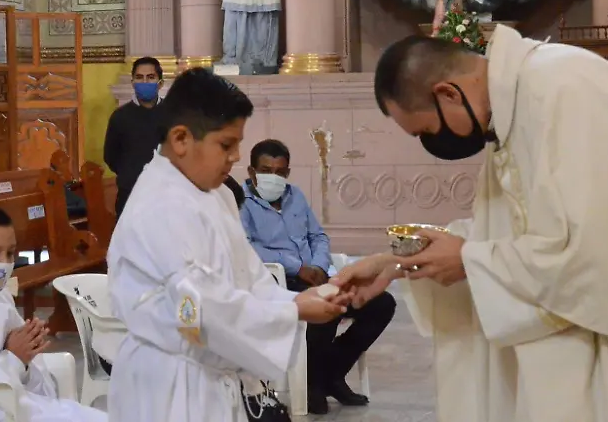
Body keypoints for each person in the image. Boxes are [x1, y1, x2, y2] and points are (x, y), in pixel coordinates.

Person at [333, 29, 608, 422]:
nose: (434, 143)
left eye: (427, 129)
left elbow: (594, 254)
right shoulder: (514, 107)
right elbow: (507, 231)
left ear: (447, 93)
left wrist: (470, 260)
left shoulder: (562, 89)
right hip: (573, 343)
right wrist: (395, 263)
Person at [106, 68, 350, 422]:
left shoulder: (215, 193)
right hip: (170, 386)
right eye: (226, 144)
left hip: (209, 376)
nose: (237, 156)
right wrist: (294, 312)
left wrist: (299, 299)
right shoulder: (160, 205)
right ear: (180, 139)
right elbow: (200, 311)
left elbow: (247, 277)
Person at [239, 139, 395, 414]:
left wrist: (320, 266)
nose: (273, 178)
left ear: (287, 172)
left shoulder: (295, 195)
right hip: (278, 281)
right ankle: (313, 385)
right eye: (266, 171)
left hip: (316, 275)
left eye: (280, 172)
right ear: (252, 172)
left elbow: (318, 236)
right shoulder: (242, 202)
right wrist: (297, 268)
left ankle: (330, 375)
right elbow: (247, 246)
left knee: (381, 304)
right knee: (326, 311)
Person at [0, 204, 106, 422]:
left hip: (22, 405)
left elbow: (29, 378)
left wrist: (27, 355)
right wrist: (14, 357)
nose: (5, 263)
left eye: (11, 253)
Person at [103, 56, 164, 218]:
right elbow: (110, 156)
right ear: (133, 83)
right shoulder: (120, 117)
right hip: (130, 195)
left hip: (166, 197)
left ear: (160, 83)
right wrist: (130, 172)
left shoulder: (174, 115)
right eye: (139, 78)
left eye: (150, 77)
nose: (144, 82)